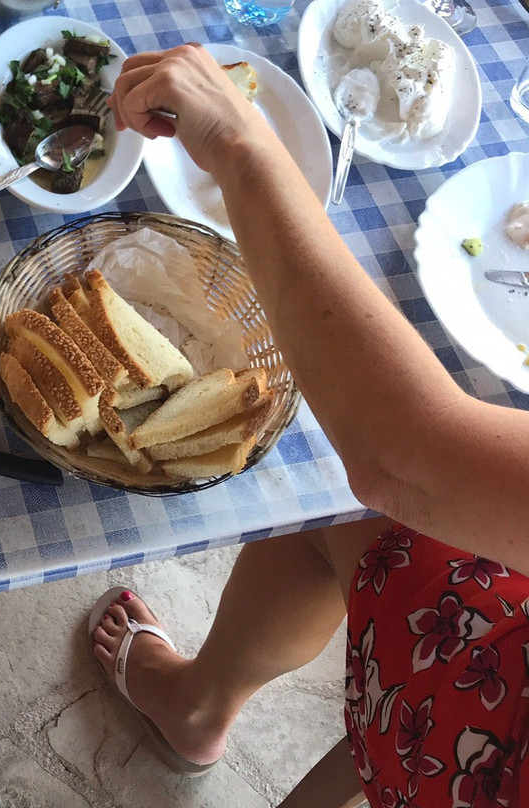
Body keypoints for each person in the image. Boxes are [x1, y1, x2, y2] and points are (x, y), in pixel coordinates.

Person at [90, 44, 529, 806]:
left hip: (481, 740)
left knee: (352, 475)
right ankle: (199, 706)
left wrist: (237, 138)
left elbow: (400, 456)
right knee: (330, 498)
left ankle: (205, 706)